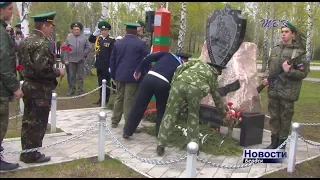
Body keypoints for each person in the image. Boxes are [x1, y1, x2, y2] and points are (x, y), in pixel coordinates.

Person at [18, 11, 65, 163]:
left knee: (28, 120)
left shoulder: (26, 40)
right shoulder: (41, 43)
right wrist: (58, 71)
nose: (52, 29)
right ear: (44, 26)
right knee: (38, 121)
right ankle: (32, 154)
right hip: (39, 88)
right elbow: (42, 69)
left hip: (28, 84)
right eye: (51, 26)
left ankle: (26, 150)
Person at [156, 60, 227, 156]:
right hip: (195, 89)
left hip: (179, 84)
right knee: (193, 116)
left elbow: (179, 68)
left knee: (170, 114)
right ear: (218, 71)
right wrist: (223, 114)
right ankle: (193, 146)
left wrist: (173, 82)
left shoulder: (196, 62)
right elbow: (216, 97)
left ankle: (161, 145)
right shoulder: (212, 76)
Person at [123, 52, 192, 138]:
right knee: (161, 110)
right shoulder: (181, 66)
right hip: (163, 83)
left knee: (138, 105)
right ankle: (159, 134)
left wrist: (138, 70)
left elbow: (148, 58)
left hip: (149, 78)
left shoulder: (166, 54)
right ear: (184, 60)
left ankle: (127, 131)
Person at [264, 22, 309, 149]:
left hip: (287, 92)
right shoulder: (275, 49)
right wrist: (267, 78)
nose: (283, 34)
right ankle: (273, 143)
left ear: (293, 34)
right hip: (273, 90)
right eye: (282, 32)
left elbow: (303, 73)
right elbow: (270, 67)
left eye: (287, 32)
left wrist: (289, 71)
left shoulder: (298, 53)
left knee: (285, 119)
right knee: (274, 117)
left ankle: (281, 145)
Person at [109, 22, 149, 130]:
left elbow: (112, 61)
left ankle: (114, 120)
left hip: (120, 75)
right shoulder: (141, 44)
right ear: (136, 31)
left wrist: (113, 76)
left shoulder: (118, 43)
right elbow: (145, 61)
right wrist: (142, 73)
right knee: (129, 100)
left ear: (126, 31)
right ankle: (129, 124)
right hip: (133, 76)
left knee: (119, 97)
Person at [0, 2, 24, 171]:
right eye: (9, 9)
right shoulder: (1, 34)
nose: (12, 12)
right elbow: (4, 64)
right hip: (1, 87)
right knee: (1, 123)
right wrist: (15, 88)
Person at [89, 21, 115, 106]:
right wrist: (94, 33)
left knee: (106, 83)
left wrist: (111, 66)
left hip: (107, 65)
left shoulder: (111, 40)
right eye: (102, 30)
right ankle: (101, 98)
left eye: (105, 30)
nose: (103, 32)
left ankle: (106, 99)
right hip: (99, 64)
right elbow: (90, 39)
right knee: (100, 82)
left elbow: (113, 54)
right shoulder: (98, 38)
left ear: (108, 31)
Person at [63, 22, 91, 96]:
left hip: (80, 60)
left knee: (80, 77)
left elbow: (89, 47)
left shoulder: (84, 38)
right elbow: (65, 48)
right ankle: (72, 89)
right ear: (72, 30)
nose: (76, 31)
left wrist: (83, 54)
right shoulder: (69, 37)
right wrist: (66, 59)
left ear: (80, 30)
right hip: (71, 60)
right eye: (75, 29)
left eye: (78, 29)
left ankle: (80, 91)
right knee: (72, 76)